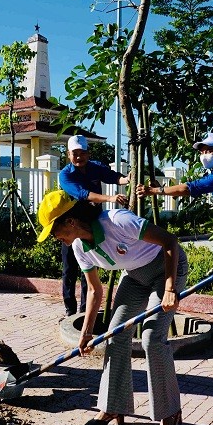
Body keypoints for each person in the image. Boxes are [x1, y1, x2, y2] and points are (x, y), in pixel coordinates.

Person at [37, 190, 188, 425]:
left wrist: (171, 289)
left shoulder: (117, 221)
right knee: (115, 335)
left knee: (152, 337)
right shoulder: (78, 247)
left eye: (54, 230)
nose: (54, 237)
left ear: (70, 221)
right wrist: (86, 333)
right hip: (135, 276)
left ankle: (169, 412)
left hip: (166, 268)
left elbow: (170, 241)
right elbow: (95, 291)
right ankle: (113, 406)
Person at [136, 132, 213, 345]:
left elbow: (191, 188)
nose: (204, 154)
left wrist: (156, 190)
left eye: (209, 150)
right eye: (202, 150)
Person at [58, 135, 130, 317]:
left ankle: (84, 309)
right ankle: (70, 310)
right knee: (69, 268)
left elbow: (115, 177)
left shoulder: (95, 167)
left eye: (83, 153)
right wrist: (110, 198)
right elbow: (83, 194)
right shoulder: (65, 175)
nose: (79, 157)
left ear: (88, 154)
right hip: (72, 227)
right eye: (75, 153)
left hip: (91, 226)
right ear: (69, 154)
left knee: (88, 267)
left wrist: (129, 178)